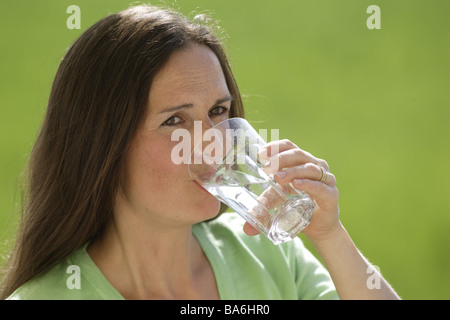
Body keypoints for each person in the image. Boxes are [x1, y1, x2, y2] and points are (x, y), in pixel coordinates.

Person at [1, 5, 400, 300]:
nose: (215, 142)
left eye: (218, 112)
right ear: (103, 145)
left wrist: (330, 235)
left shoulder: (267, 255)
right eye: (175, 121)